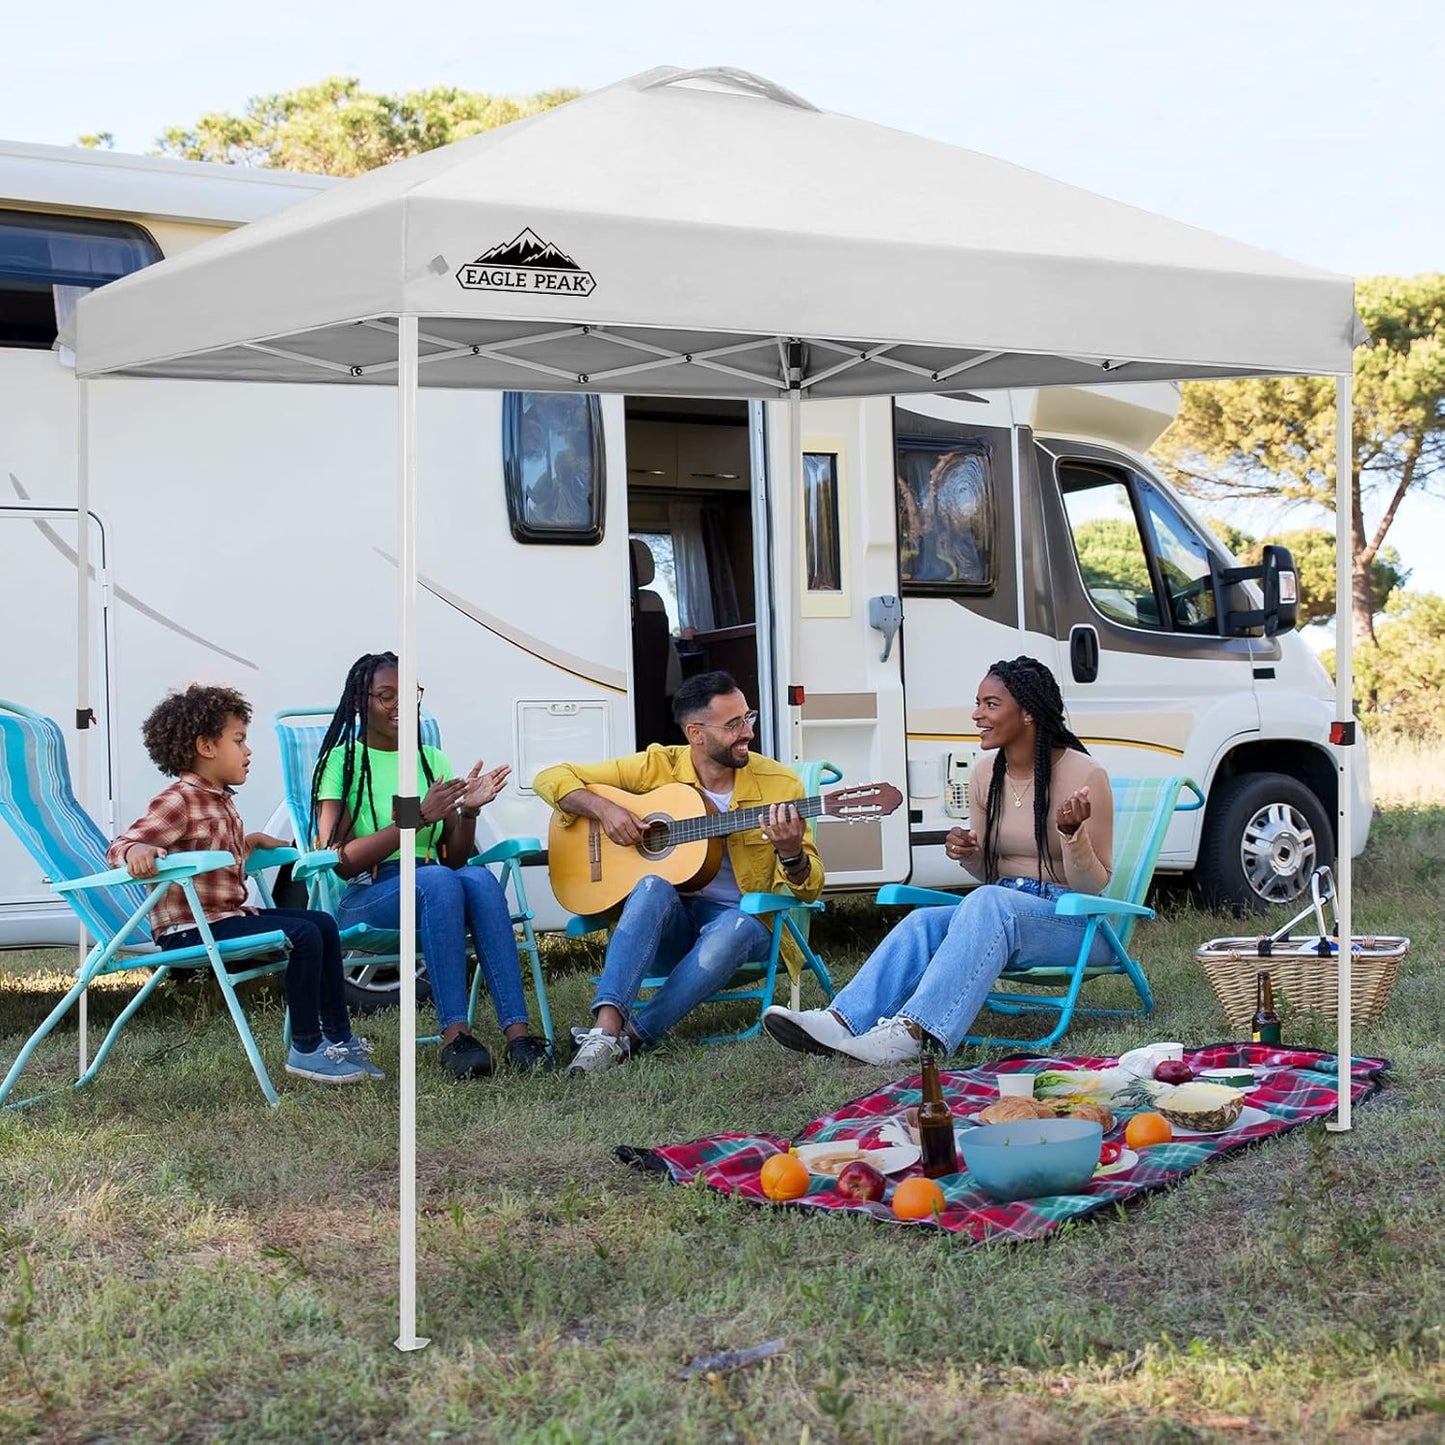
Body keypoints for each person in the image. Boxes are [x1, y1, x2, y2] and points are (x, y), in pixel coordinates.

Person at [763, 656, 1113, 1065]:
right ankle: (841, 1021)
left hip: (1075, 924)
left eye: (990, 704)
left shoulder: (1085, 775)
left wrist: (1072, 835)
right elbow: (991, 877)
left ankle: (912, 1032)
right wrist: (970, 855)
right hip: (1003, 913)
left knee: (988, 901)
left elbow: (1094, 887)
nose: (977, 714)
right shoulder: (987, 775)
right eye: (977, 703)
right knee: (923, 921)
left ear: (1029, 712)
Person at [534, 670, 823, 1074]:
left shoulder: (779, 785)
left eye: (748, 718)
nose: (748, 733)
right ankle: (604, 1030)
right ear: (696, 734)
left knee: (736, 926)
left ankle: (631, 1038)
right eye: (733, 724)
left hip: (742, 926)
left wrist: (791, 852)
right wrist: (606, 810)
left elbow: (810, 890)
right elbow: (548, 777)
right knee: (651, 884)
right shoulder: (657, 766)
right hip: (669, 927)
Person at [108, 684, 381, 1085]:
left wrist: (249, 842)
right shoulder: (180, 798)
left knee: (321, 923)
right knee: (304, 933)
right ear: (205, 746)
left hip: (226, 917)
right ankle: (306, 1047)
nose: (248, 751)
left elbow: (208, 846)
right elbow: (124, 842)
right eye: (238, 740)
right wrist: (135, 852)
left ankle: (339, 1040)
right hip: (191, 929)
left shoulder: (221, 799)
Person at [309, 652, 553, 1079]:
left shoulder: (430, 760)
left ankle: (519, 1037)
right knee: (441, 880)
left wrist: (470, 811)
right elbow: (339, 860)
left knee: (475, 877)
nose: (401, 705)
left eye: (409, 694)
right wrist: (416, 817)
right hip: (370, 893)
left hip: (431, 882)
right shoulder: (343, 762)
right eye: (386, 696)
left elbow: (453, 856)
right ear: (359, 702)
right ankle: (455, 1037)